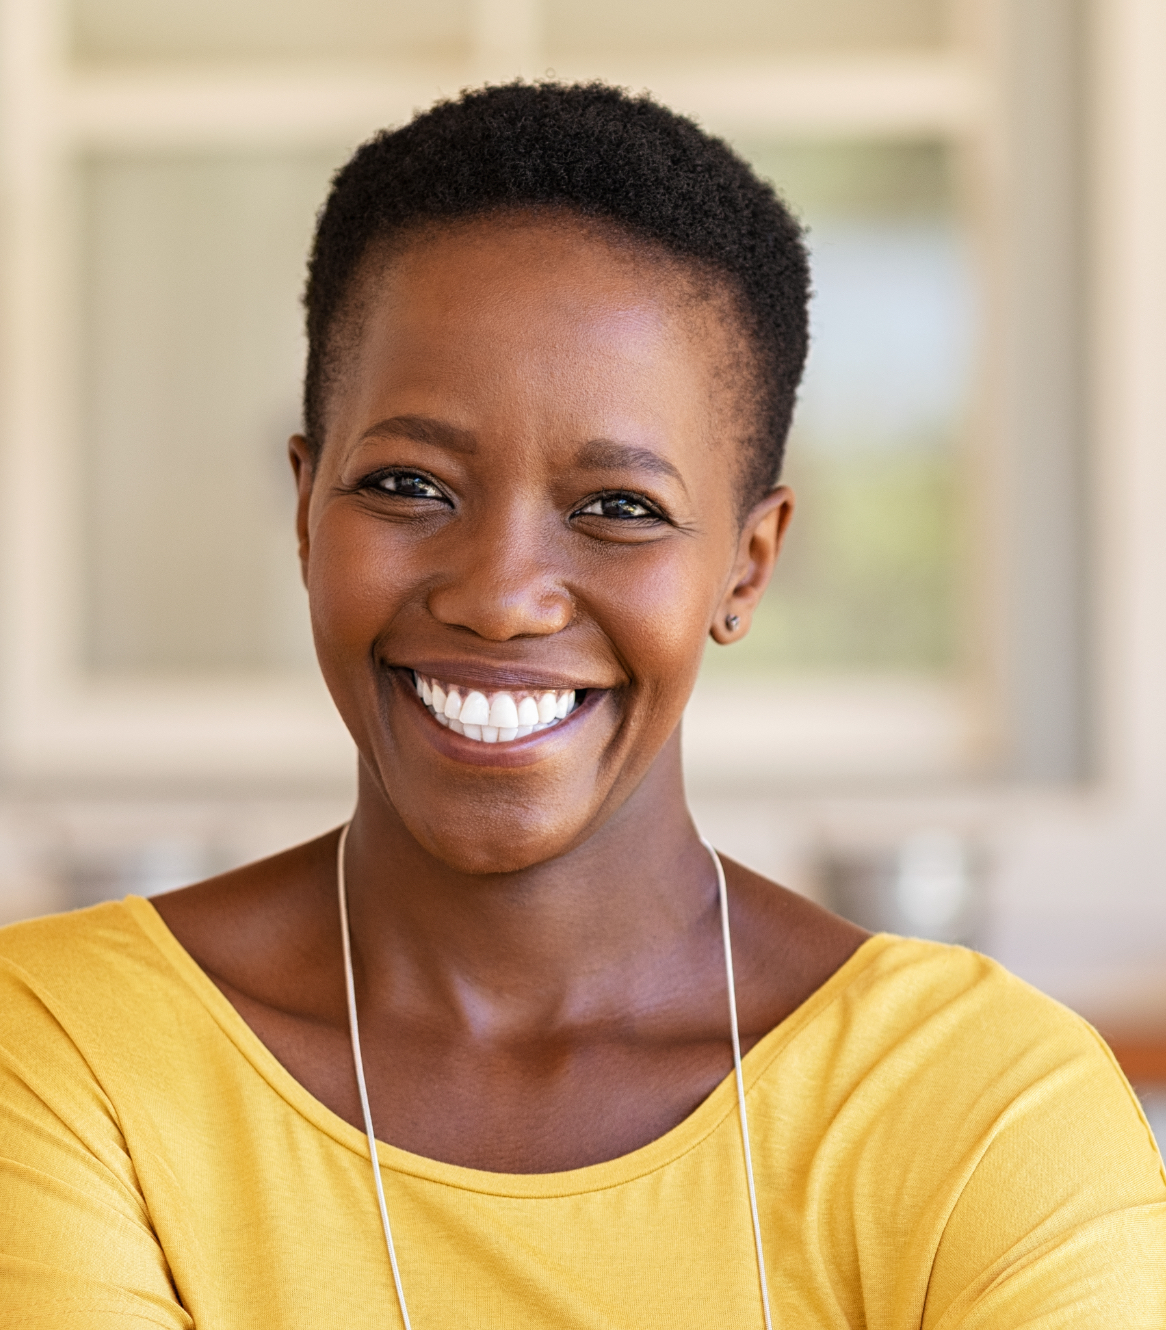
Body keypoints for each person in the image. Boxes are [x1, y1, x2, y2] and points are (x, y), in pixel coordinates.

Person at [1, 81, 1163, 1329]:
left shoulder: (981, 1104)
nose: (499, 598)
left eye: (618, 507)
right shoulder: (64, 1055)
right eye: (406, 483)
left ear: (746, 564)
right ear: (304, 506)